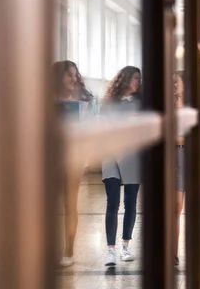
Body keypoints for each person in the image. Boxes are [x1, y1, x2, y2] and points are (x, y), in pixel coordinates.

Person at [53, 60, 93, 268]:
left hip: (74, 158)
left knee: (70, 204)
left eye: (75, 74)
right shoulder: (46, 101)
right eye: (69, 74)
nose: (74, 78)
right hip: (51, 158)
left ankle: (68, 250)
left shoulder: (84, 102)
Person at [101, 66, 142, 266]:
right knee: (112, 202)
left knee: (130, 202)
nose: (137, 82)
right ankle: (110, 250)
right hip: (110, 154)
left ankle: (125, 245)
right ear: (124, 79)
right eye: (134, 78)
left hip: (133, 156)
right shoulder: (108, 103)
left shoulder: (142, 104)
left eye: (139, 79)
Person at [173, 71, 186, 266]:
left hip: (192, 157)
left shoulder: (195, 105)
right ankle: (172, 252)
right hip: (173, 156)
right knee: (175, 208)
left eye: (175, 81)